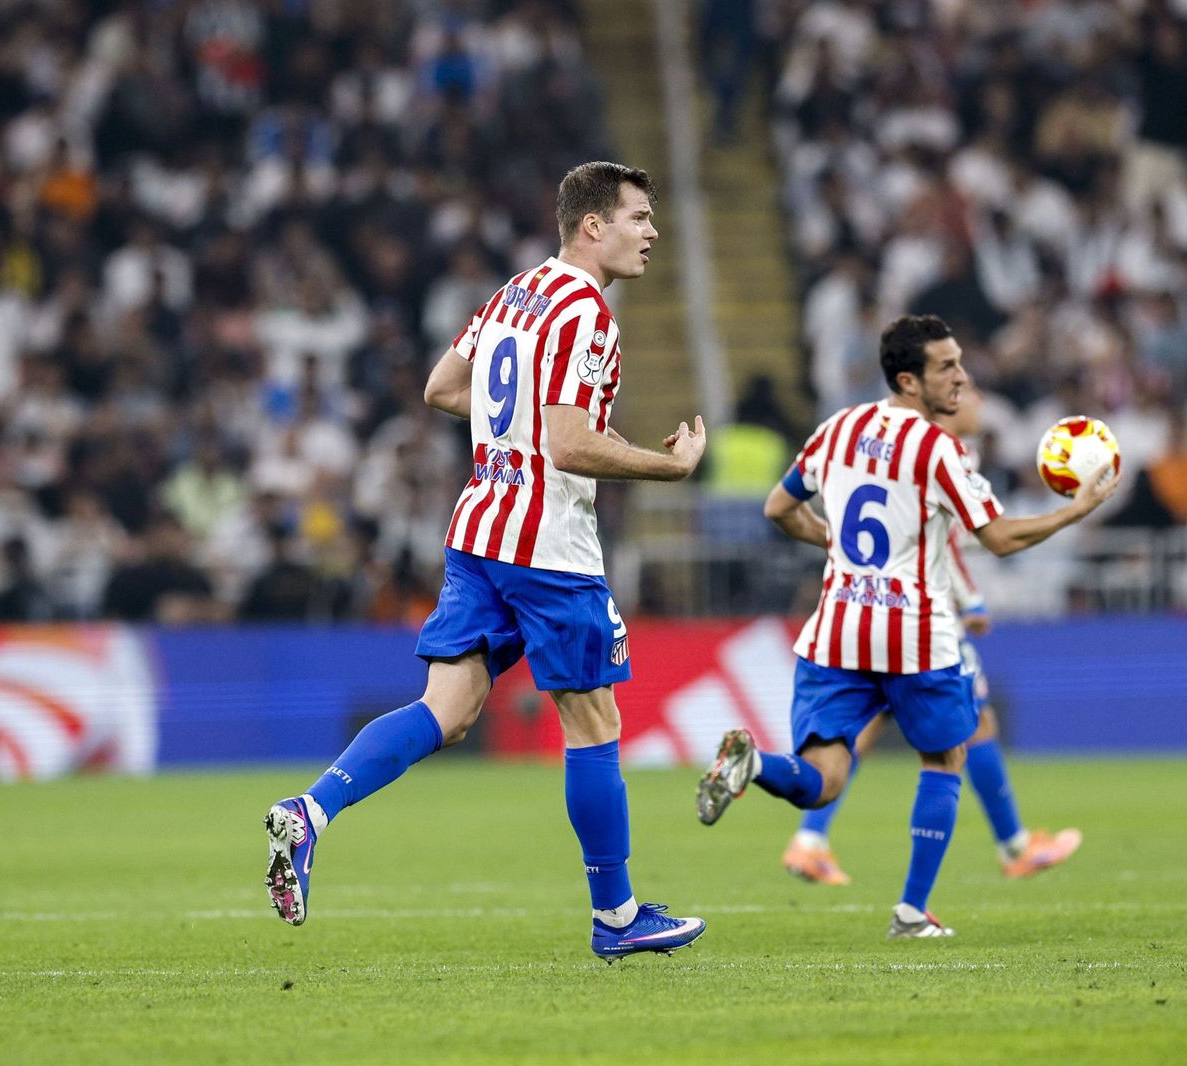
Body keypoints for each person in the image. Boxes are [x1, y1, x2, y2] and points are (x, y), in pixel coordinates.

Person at [264, 162, 710, 961]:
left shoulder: (516, 292)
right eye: (639, 217)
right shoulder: (587, 312)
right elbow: (568, 444)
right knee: (594, 720)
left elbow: (441, 388)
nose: (652, 233)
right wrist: (667, 466)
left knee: (449, 708)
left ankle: (311, 812)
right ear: (593, 226)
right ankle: (617, 918)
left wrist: (528, 419)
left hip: (479, 533)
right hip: (547, 547)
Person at [696, 314, 1119, 938]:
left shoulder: (838, 428)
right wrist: (1074, 511)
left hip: (837, 629)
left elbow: (778, 507)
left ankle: (755, 765)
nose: (962, 377)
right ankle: (912, 911)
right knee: (946, 757)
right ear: (908, 381)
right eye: (947, 367)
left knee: (823, 780)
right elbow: (999, 537)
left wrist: (836, 544)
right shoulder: (937, 448)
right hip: (912, 631)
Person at [780, 389, 1083, 887]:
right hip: (921, 616)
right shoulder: (939, 452)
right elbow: (951, 542)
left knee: (887, 725)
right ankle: (1009, 849)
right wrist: (969, 599)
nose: (974, 398)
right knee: (969, 724)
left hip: (875, 607)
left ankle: (811, 840)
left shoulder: (909, 446)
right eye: (962, 388)